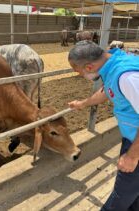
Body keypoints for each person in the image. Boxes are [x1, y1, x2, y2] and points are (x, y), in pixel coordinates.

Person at [68, 40, 139, 211]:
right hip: (132, 136)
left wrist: (132, 156)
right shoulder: (114, 60)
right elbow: (108, 89)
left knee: (121, 196)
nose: (79, 75)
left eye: (78, 71)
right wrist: (83, 103)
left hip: (136, 142)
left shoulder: (127, 77)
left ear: (89, 67)